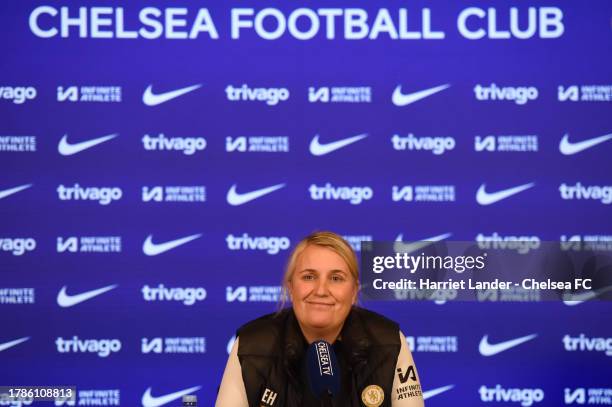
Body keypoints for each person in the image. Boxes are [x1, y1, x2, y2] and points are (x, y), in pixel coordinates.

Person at [216, 231, 425, 407]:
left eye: (336, 278)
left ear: (354, 291)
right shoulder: (251, 345)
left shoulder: (388, 341)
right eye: (309, 277)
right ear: (290, 287)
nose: (321, 290)